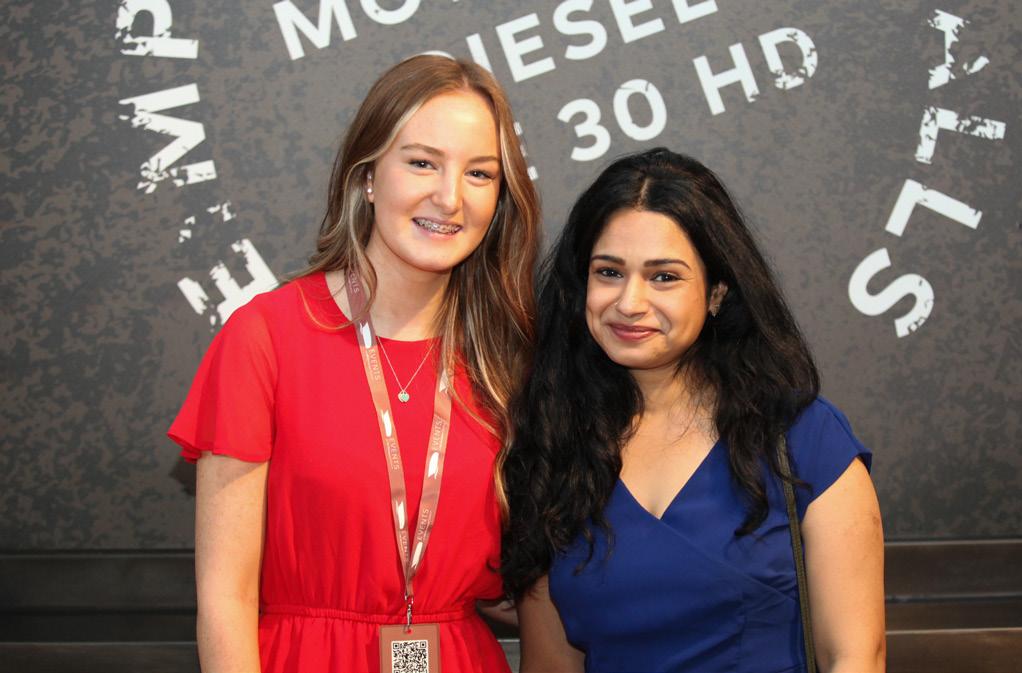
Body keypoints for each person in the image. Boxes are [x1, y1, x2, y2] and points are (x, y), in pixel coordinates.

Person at [168, 55, 540, 673]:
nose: (449, 197)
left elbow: (530, 585)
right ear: (367, 176)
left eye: (480, 173)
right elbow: (225, 599)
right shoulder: (265, 338)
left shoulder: (508, 358)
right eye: (422, 162)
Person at [502, 148, 884, 673]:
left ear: (717, 292)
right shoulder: (555, 445)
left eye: (664, 277)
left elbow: (856, 657)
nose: (629, 302)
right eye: (609, 272)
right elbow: (550, 665)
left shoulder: (806, 438)